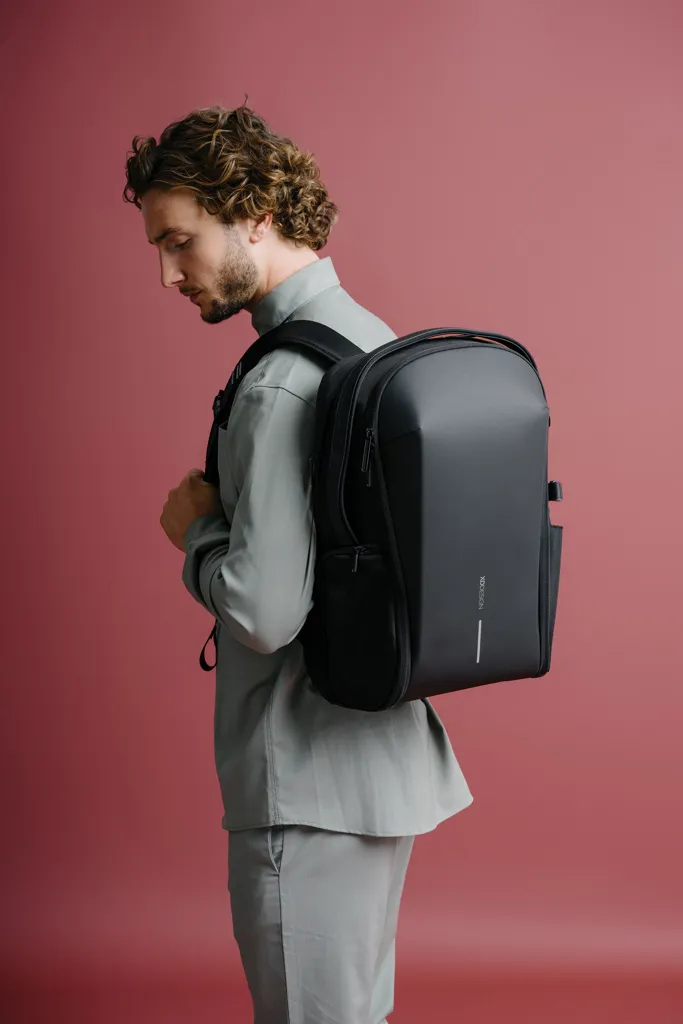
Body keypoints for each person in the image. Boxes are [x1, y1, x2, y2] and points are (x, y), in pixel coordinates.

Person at [123, 103, 473, 1024]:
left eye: (180, 241)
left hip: (302, 780)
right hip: (381, 757)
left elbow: (265, 611)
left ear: (256, 215)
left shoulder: (279, 383)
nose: (168, 274)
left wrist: (197, 533)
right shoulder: (370, 337)